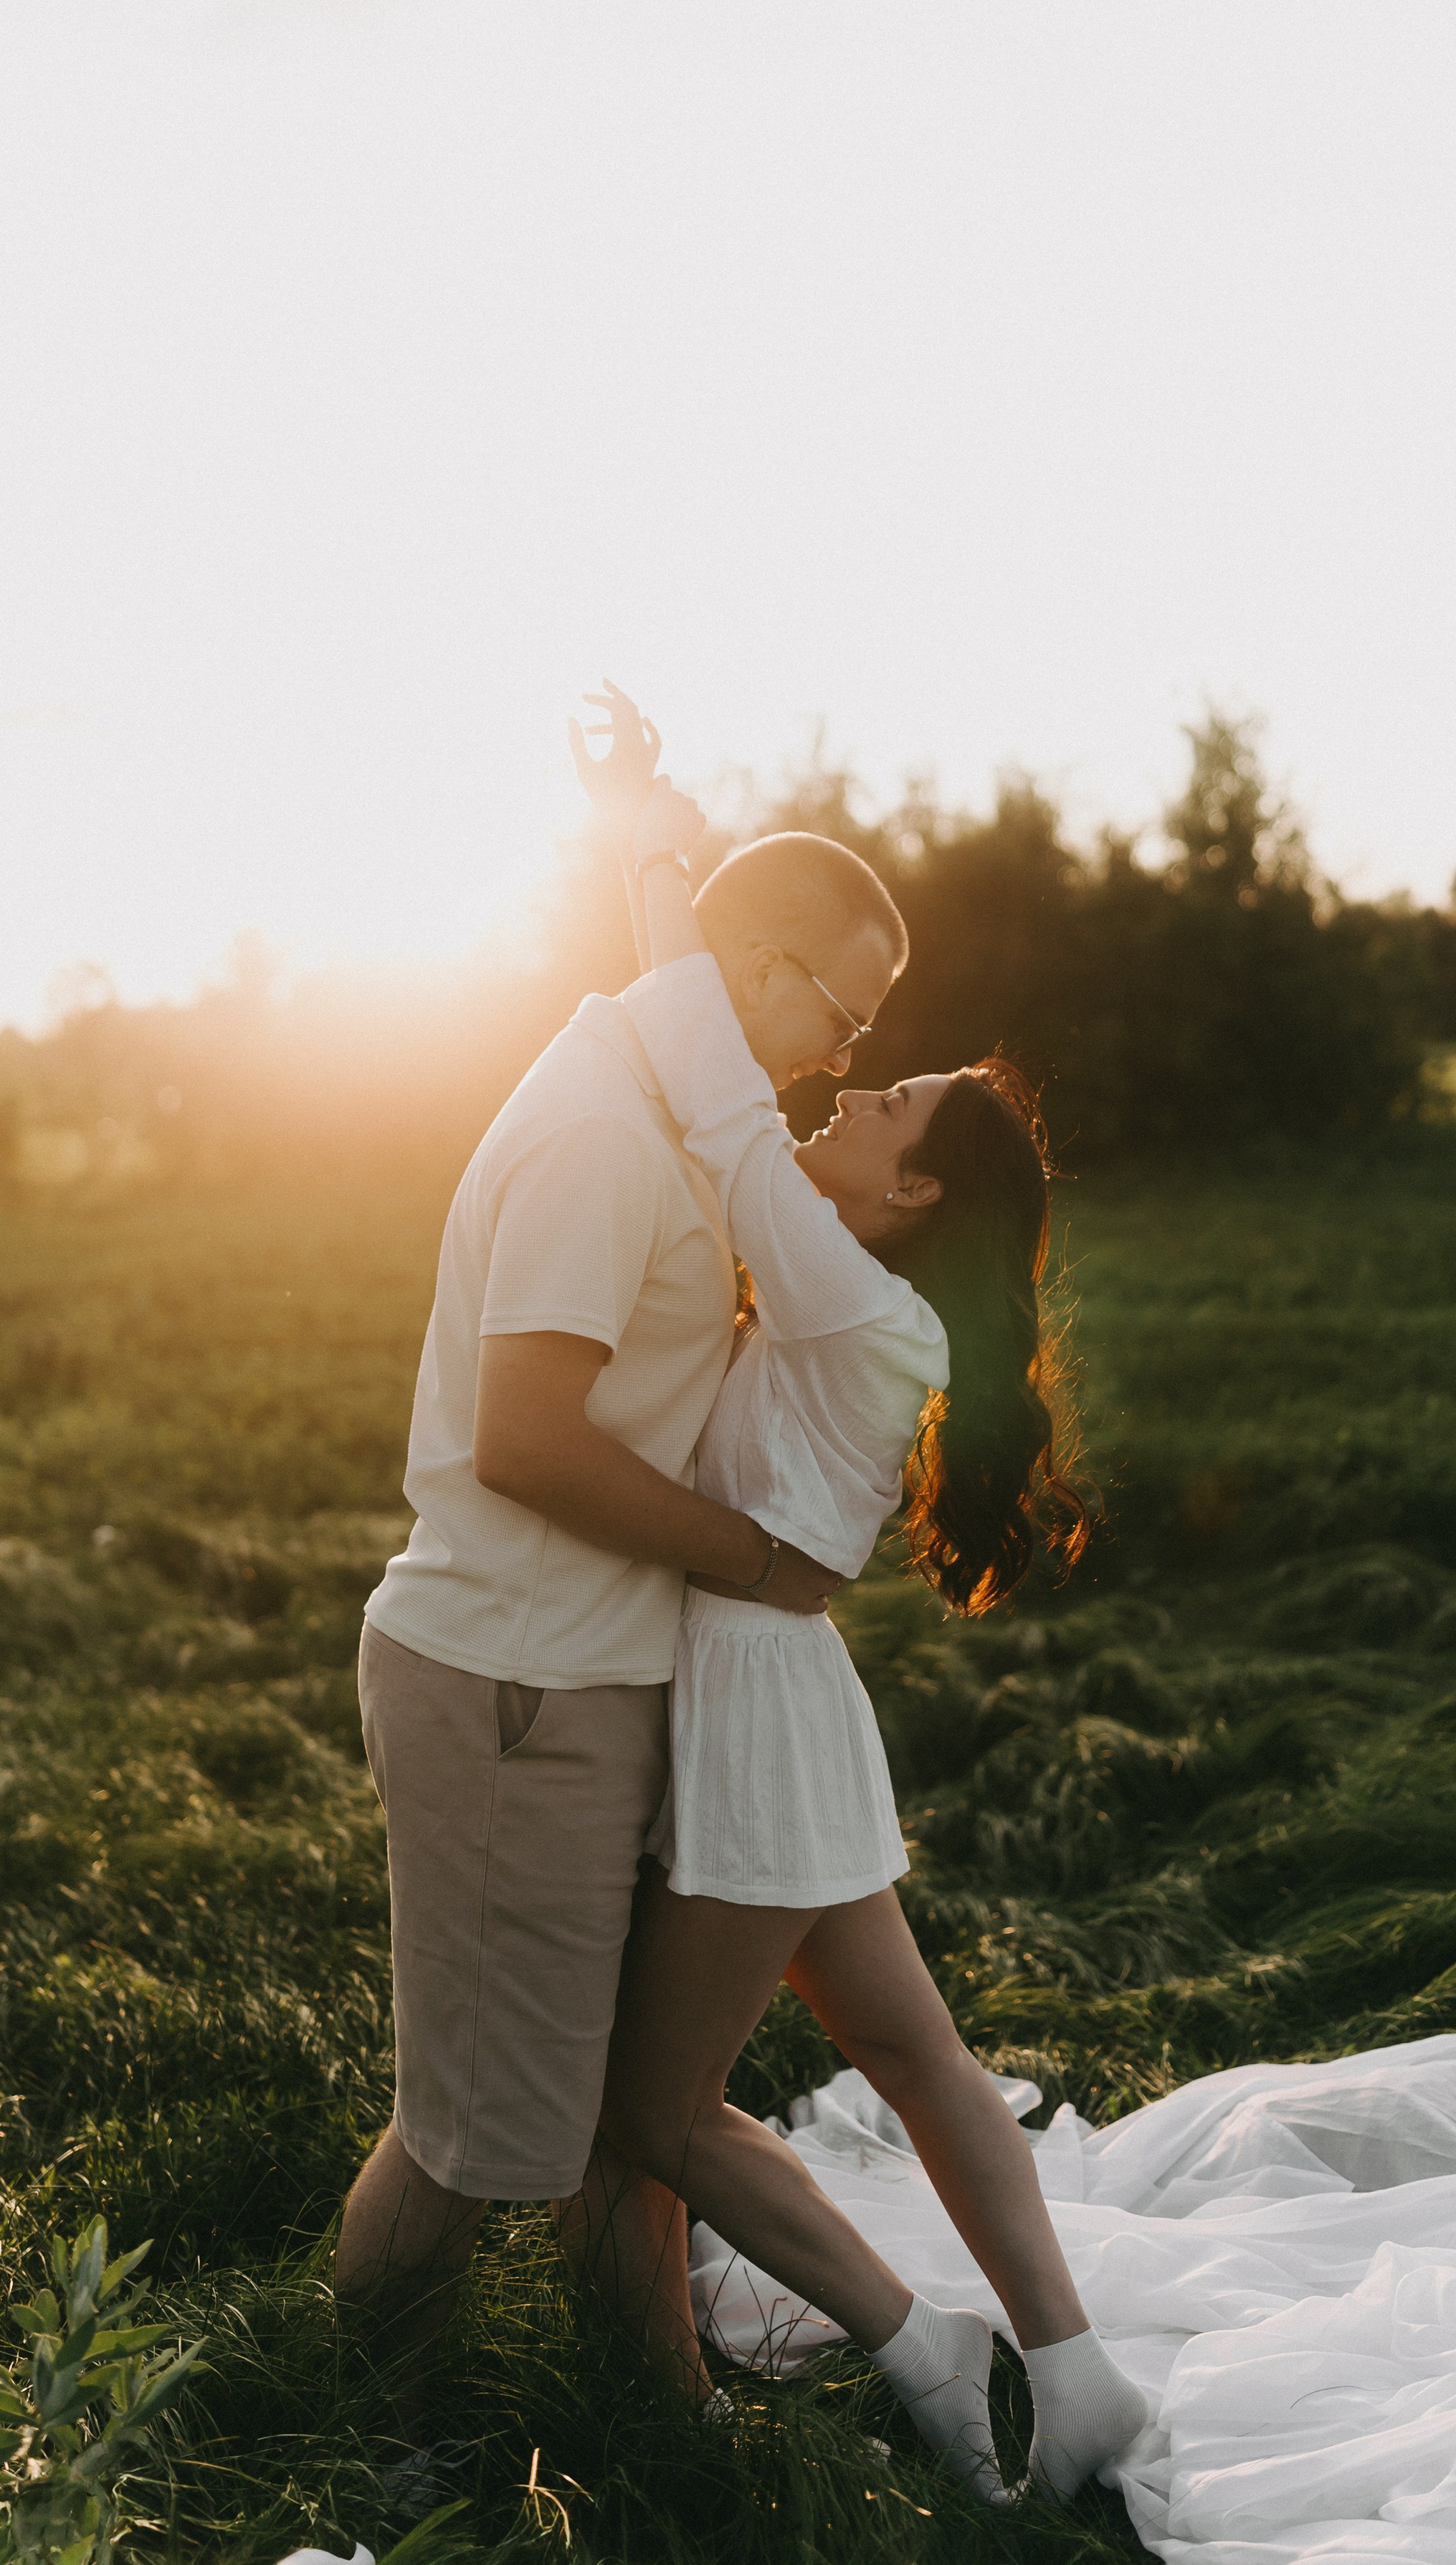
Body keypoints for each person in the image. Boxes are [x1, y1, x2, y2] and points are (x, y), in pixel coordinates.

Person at [584, 710, 1150, 2504]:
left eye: (889, 1106)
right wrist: (650, 862)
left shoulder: (838, 1286)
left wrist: (657, 861)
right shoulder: (874, 1297)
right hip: (790, 1693)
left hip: (755, 1705)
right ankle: (1077, 2376)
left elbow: (725, 1090)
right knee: (915, 2054)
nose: (857, 1088)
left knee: (643, 2111)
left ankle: (921, 2343)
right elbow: (705, 1058)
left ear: (908, 1196)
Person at [334, 701, 909, 2412]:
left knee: (605, 2115)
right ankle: (382, 2447)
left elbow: (684, 920)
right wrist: (751, 1558)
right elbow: (526, 1434)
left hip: (589, 1668)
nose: (835, 1054)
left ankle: (657, 2413)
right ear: (756, 967)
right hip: (513, 1676)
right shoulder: (603, 1131)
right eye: (840, 1010)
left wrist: (639, 812)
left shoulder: (675, 1068)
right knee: (475, 2137)